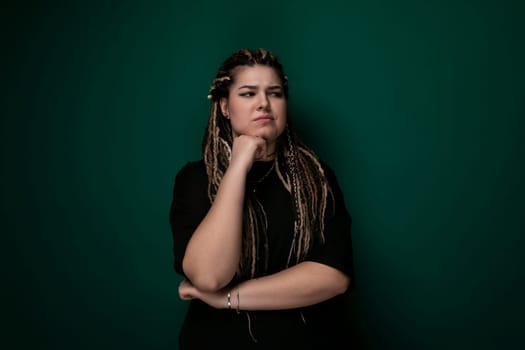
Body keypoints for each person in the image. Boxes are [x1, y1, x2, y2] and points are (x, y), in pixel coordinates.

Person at [169, 48, 354, 349]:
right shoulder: (195, 179)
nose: (264, 104)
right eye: (248, 93)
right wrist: (239, 165)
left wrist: (227, 299)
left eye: (275, 93)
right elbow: (208, 276)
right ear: (225, 106)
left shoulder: (317, 179)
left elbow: (333, 277)